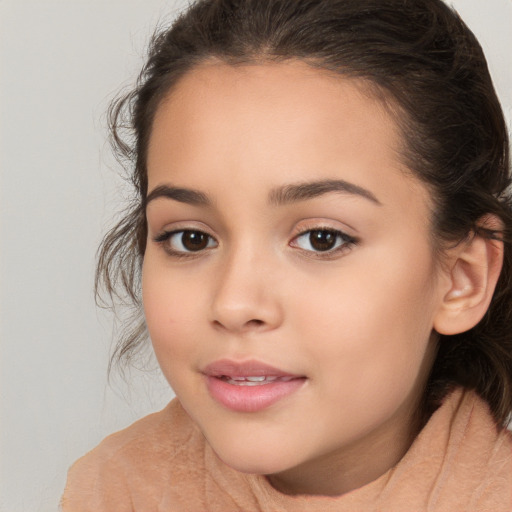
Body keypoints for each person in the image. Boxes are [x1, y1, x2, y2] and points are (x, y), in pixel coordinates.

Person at [61, 0, 512, 509]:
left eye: (322, 238)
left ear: (462, 279)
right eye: (191, 238)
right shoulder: (112, 490)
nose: (234, 304)